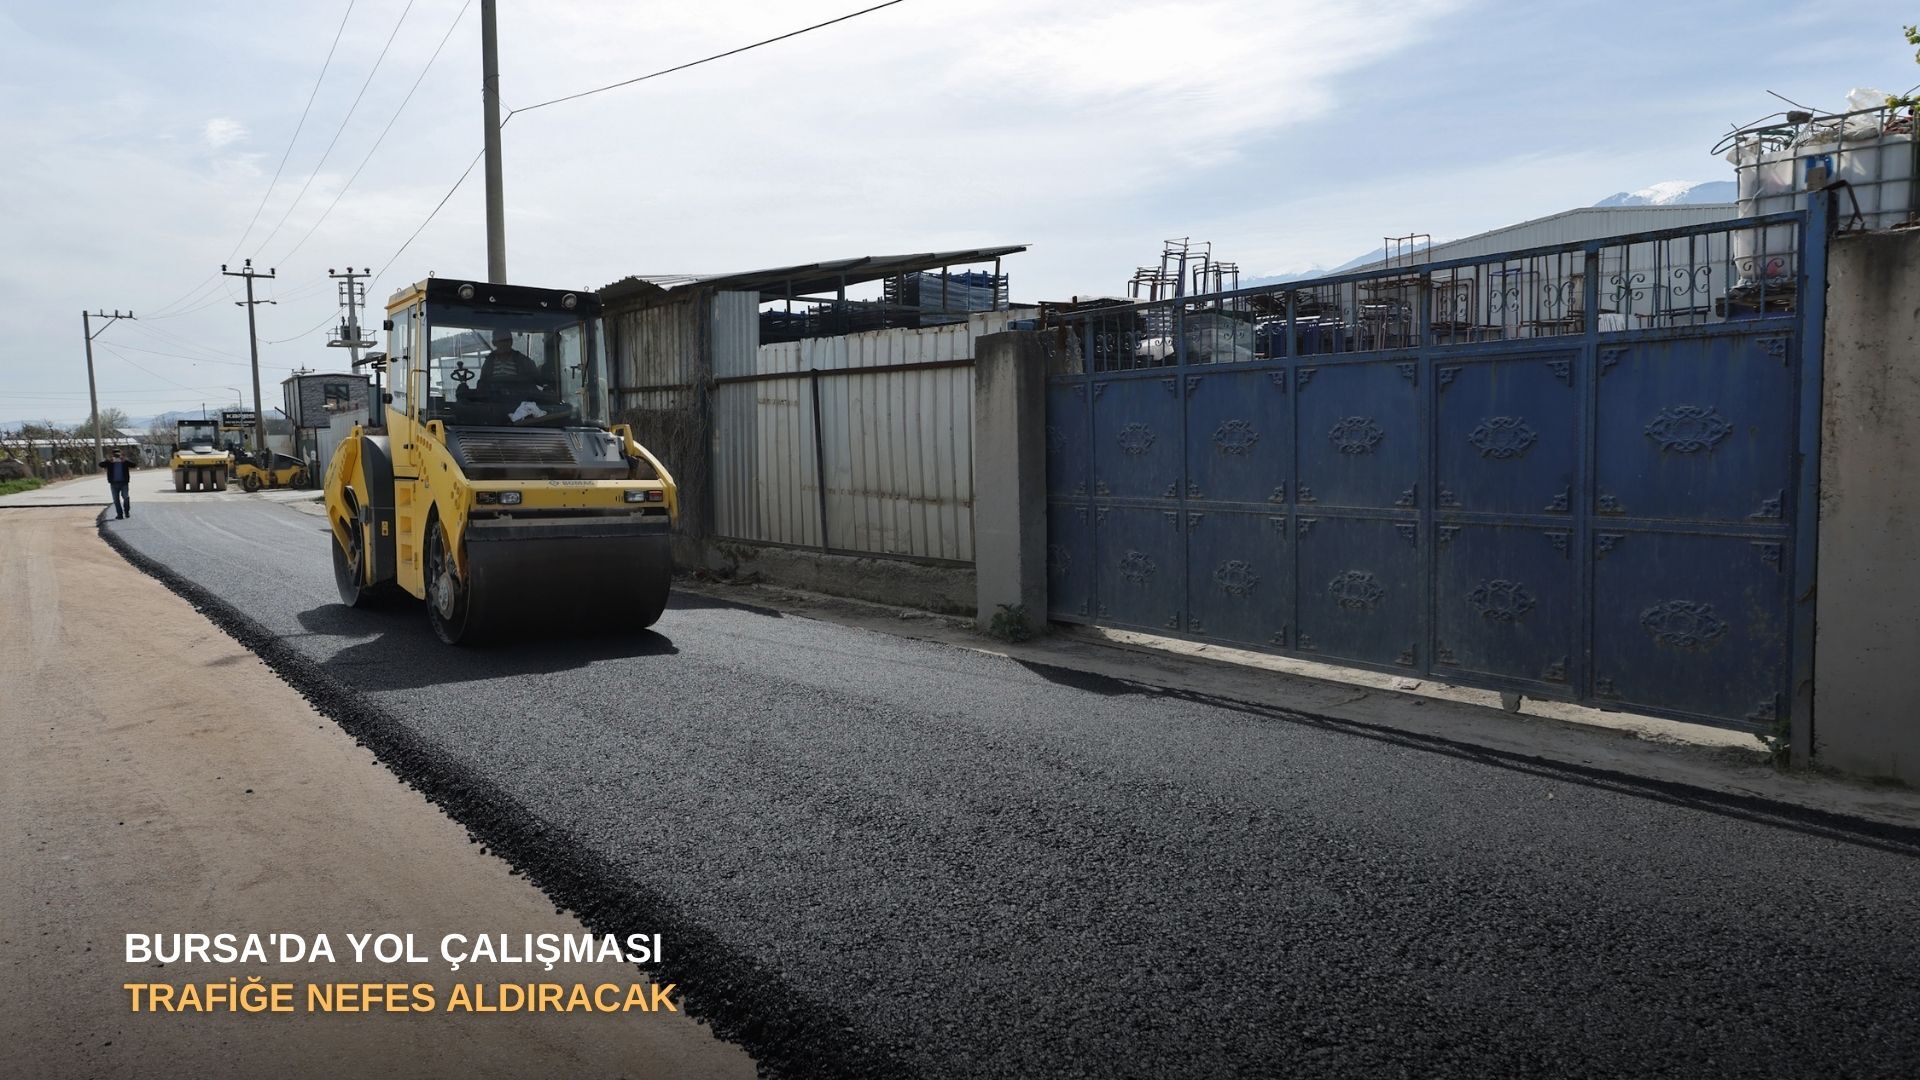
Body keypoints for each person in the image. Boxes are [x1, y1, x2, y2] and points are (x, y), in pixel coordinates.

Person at [100, 449, 132, 519]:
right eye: (115, 455)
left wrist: (125, 460)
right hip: (114, 484)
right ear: (112, 455)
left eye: (118, 455)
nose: (116, 457)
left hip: (124, 483)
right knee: (116, 500)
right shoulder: (110, 462)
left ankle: (126, 511)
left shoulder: (124, 462)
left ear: (120, 454)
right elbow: (101, 465)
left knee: (126, 498)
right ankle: (119, 514)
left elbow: (133, 465)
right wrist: (108, 460)